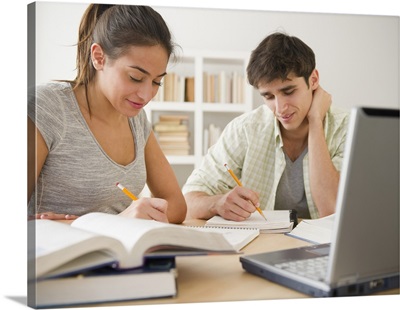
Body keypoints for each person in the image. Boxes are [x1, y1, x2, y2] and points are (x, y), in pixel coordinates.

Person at [27, 4, 187, 223]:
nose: (147, 94)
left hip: (118, 252)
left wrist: (127, 218)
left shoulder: (137, 121)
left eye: (157, 81)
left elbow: (176, 206)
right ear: (99, 57)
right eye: (135, 78)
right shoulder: (47, 106)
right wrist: (116, 222)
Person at [182, 32, 349, 221]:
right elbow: (186, 204)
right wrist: (217, 203)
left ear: (313, 80)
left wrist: (315, 121)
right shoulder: (245, 130)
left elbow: (332, 210)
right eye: (269, 96)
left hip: (323, 248)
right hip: (263, 245)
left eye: (289, 91)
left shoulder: (345, 129)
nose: (280, 108)